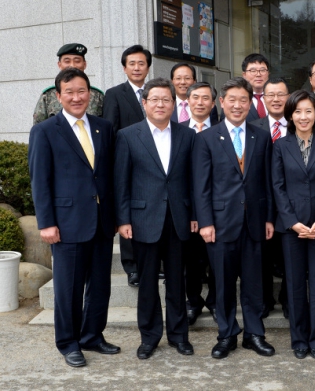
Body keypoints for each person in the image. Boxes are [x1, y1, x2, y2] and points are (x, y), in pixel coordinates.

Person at [29, 68, 119, 367]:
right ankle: (68, 343)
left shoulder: (103, 128)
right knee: (68, 288)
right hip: (66, 223)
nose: (77, 97)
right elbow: (40, 181)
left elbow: (107, 175)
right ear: (58, 96)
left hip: (101, 221)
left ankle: (92, 335)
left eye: (82, 91)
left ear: (90, 94)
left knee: (100, 285)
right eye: (70, 92)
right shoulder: (45, 130)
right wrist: (46, 223)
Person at [193, 77, 276, 359]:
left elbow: (267, 181)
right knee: (224, 284)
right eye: (232, 100)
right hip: (220, 223)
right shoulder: (206, 138)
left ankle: (254, 334)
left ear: (250, 102)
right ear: (222, 102)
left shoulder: (261, 135)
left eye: (244, 100)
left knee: (254, 284)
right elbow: (200, 185)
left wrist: (268, 218)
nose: (238, 105)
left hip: (254, 222)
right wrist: (205, 222)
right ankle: (227, 334)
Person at [114, 78, 196, 360]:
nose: (160, 104)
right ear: (144, 103)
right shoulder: (127, 135)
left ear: (174, 104)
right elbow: (121, 181)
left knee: (177, 281)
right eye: (155, 99)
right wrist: (123, 219)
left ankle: (178, 336)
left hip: (178, 217)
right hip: (142, 219)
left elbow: (193, 180)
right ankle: (149, 337)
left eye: (166, 100)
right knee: (147, 282)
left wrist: (195, 215)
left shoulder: (187, 135)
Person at [272, 90, 315, 359]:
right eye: (297, 111)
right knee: (296, 283)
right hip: (292, 228)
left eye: (308, 111)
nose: (303, 116)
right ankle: (299, 338)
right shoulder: (280, 145)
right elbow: (277, 187)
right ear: (290, 115)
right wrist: (293, 222)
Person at [102, 44, 152, 288]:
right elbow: (110, 130)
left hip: (156, 164)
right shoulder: (115, 93)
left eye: (141, 63)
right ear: (124, 68)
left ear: (148, 67)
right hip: (129, 161)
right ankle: (132, 266)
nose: (136, 67)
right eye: (131, 63)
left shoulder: (156, 91)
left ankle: (154, 262)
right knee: (129, 212)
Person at [251, 77, 291, 319]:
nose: (276, 100)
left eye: (281, 95)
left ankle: (288, 299)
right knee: (262, 256)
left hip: (292, 201)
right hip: (262, 202)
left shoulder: (300, 124)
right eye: (271, 95)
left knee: (289, 256)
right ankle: (264, 300)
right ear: (263, 99)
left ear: (289, 97)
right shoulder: (253, 127)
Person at [181, 81, 218, 325]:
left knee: (217, 259)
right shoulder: (178, 130)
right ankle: (193, 302)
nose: (201, 102)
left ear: (214, 103)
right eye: (196, 97)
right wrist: (193, 212)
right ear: (188, 101)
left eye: (206, 98)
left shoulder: (223, 130)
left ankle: (215, 301)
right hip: (186, 208)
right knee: (191, 261)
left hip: (219, 207)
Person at [33, 43, 104, 124]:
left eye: (77, 61)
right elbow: (38, 126)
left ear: (84, 64)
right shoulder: (48, 96)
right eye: (67, 61)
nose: (72, 65)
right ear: (59, 65)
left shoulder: (98, 96)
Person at [241, 53, 270, 121]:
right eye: (253, 71)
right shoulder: (235, 100)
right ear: (244, 75)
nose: (258, 74)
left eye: (262, 70)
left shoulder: (278, 98)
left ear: (268, 73)